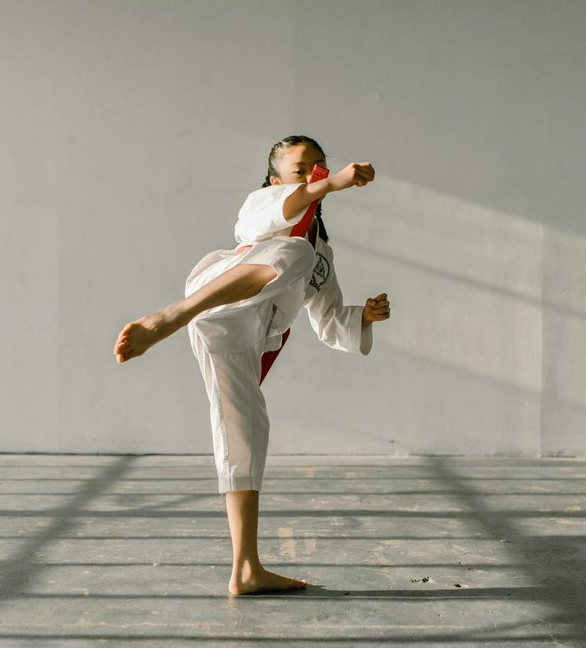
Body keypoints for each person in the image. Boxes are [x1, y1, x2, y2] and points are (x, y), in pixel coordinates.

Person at [113, 136, 391, 595]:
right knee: (294, 251)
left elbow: (328, 320)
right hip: (215, 299)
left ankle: (245, 569)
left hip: (239, 337)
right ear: (274, 179)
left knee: (245, 435)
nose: (314, 173)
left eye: (320, 165)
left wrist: (363, 316)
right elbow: (281, 214)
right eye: (301, 168)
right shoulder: (262, 204)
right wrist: (330, 184)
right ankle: (169, 316)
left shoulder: (320, 251)